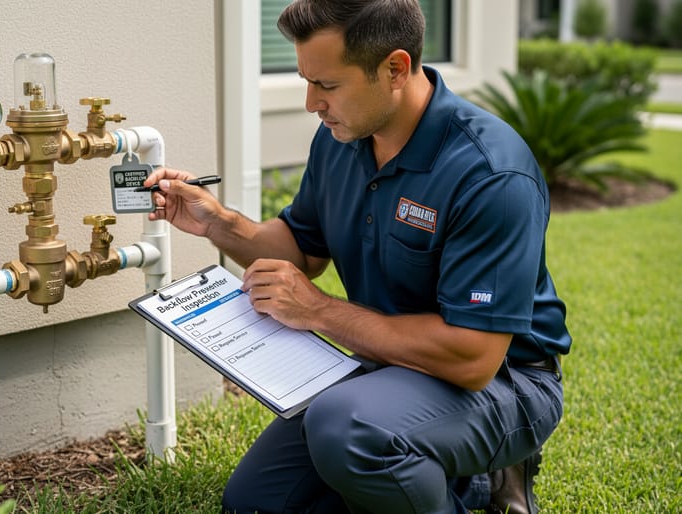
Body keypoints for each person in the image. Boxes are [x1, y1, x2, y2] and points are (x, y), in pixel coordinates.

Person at [142, 1, 571, 512]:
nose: (310, 103)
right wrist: (219, 223)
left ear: (395, 69)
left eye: (326, 85)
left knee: (347, 429)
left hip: (507, 381)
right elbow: (302, 249)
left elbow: (472, 357)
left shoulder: (491, 174)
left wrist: (317, 310)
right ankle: (473, 483)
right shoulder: (341, 139)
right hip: (390, 365)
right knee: (256, 503)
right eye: (306, 81)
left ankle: (486, 464)